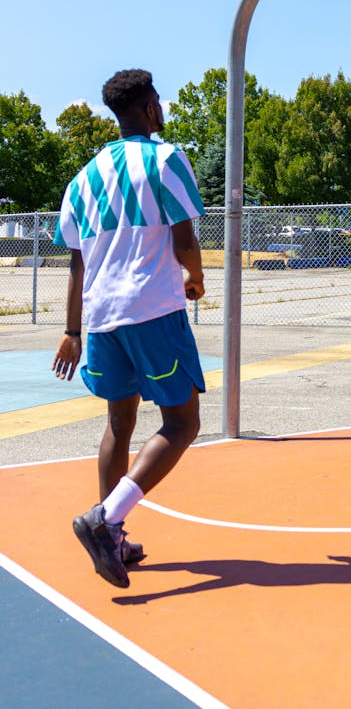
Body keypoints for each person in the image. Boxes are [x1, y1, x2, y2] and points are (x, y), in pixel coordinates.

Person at [51, 69, 206, 589]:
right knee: (182, 423)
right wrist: (196, 275)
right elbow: (183, 236)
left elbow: (75, 262)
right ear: (148, 110)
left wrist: (73, 329)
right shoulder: (165, 159)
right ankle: (104, 520)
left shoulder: (82, 178)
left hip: (100, 315)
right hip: (151, 307)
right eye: (158, 102)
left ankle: (111, 535)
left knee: (120, 423)